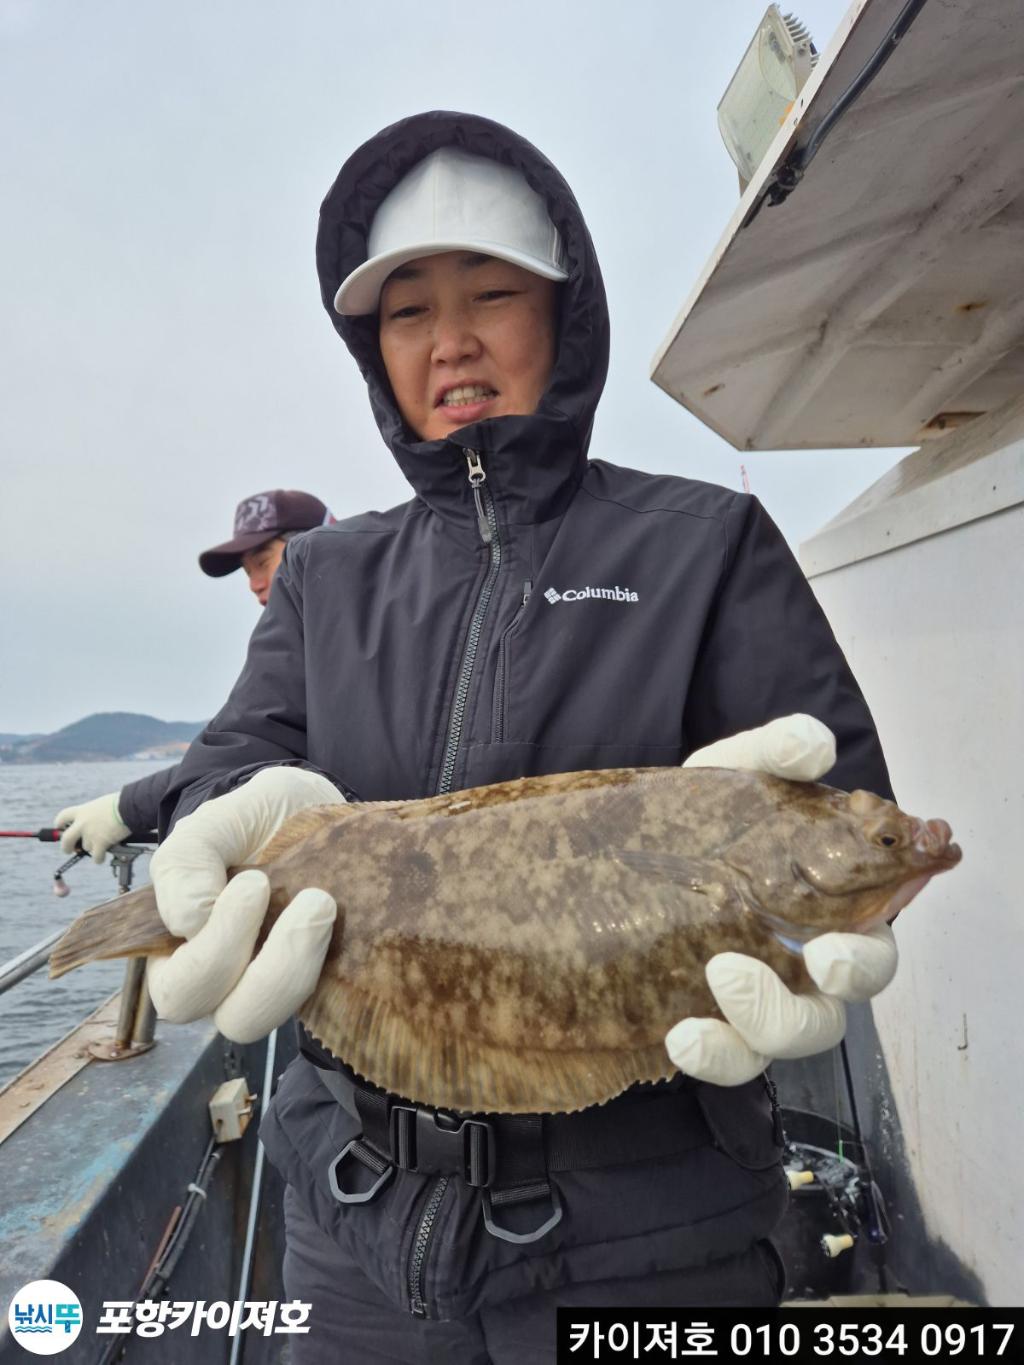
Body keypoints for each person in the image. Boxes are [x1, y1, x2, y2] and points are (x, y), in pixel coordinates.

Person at [143, 113, 899, 1359]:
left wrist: (833, 940)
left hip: (662, 1239)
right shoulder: (327, 579)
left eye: (492, 293)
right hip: (355, 1238)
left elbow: (835, 810)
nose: (451, 342)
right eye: (405, 314)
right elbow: (230, 771)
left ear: (565, 314)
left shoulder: (702, 545)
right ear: (371, 351)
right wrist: (217, 825)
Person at [52, 488, 332, 861]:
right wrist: (126, 808)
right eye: (247, 573)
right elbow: (239, 749)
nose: (254, 585)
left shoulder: (346, 635)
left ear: (315, 545)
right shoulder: (302, 645)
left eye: (263, 563)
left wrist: (125, 810)